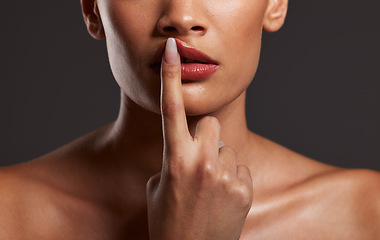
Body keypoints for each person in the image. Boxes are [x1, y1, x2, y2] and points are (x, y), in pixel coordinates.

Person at [0, 0, 379, 239]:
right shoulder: (7, 213)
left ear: (275, 3)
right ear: (92, 9)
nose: (181, 18)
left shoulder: (368, 214)